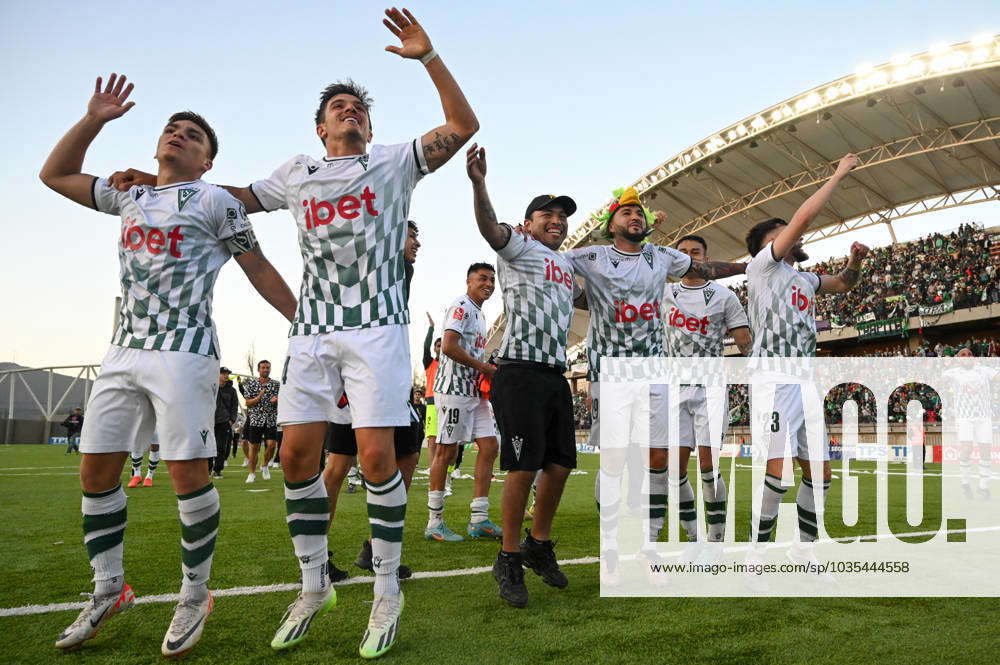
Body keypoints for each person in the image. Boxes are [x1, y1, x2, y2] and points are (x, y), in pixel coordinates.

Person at [113, 10, 477, 655]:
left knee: (373, 459)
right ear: (320, 126)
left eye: (357, 108)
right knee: (296, 460)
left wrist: (428, 57)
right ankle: (314, 585)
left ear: (369, 125)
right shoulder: (296, 173)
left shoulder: (394, 163)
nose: (349, 112)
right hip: (311, 333)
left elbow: (461, 127)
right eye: (338, 107)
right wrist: (163, 184)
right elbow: (231, 197)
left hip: (377, 329)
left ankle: (387, 589)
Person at [40, 73, 297, 656]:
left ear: (208, 161)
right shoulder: (129, 194)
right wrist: (94, 120)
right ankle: (109, 588)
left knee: (187, 476)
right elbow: (54, 175)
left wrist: (301, 320)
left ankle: (195, 593)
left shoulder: (215, 200)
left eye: (192, 136)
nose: (178, 137)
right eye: (172, 130)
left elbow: (256, 267)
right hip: (122, 351)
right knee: (96, 474)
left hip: (184, 353)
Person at [562, 186, 746, 584]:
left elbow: (705, 270)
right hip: (610, 373)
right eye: (625, 212)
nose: (634, 217)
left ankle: (647, 548)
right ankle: (611, 551)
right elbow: (552, 266)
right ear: (609, 224)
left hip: (654, 373)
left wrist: (754, 265)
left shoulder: (661, 257)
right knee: (613, 462)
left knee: (658, 461)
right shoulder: (589, 256)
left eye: (638, 212)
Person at [742, 154, 867, 588]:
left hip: (804, 379)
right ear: (768, 244)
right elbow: (804, 215)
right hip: (773, 379)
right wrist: (838, 174)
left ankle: (804, 551)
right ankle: (757, 558)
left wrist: (854, 261)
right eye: (784, 233)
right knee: (777, 473)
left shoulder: (804, 279)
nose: (795, 235)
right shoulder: (764, 267)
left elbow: (845, 284)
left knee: (820, 471)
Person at [467, 144, 576, 608]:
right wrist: (479, 183)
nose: (556, 220)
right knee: (523, 465)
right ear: (528, 222)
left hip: (554, 373)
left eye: (562, 216)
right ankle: (509, 556)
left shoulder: (568, 263)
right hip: (518, 371)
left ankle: (539, 543)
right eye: (546, 214)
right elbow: (490, 228)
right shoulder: (518, 245)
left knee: (560, 465)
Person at [322, 220, 424, 581]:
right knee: (339, 465)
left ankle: (372, 548)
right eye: (412, 236)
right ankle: (328, 554)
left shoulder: (394, 270)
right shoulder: (380, 265)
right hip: (363, 373)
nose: (417, 244)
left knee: (406, 454)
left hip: (379, 374)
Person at [661, 234, 751, 564]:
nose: (688, 257)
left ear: (706, 256)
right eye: (682, 253)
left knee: (709, 467)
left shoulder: (724, 296)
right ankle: (693, 536)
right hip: (672, 387)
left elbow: (744, 341)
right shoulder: (664, 294)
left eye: (695, 252)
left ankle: (716, 538)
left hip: (710, 387)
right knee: (675, 468)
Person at [427, 263, 503, 541]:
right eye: (483, 278)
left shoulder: (480, 313)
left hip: (474, 391)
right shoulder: (461, 305)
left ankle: (479, 518)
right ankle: (434, 522)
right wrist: (482, 367)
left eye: (492, 279)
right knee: (446, 452)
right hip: (454, 390)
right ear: (468, 281)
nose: (489, 283)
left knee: (490, 445)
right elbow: (448, 346)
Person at [243, 360, 280, 483]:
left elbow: (283, 400)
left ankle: (264, 465)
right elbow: (247, 403)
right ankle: (252, 473)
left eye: (268, 368)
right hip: (256, 420)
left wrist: (277, 400)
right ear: (259, 370)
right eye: (263, 368)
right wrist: (258, 397)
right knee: (254, 447)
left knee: (272, 445)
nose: (266, 370)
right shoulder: (252, 384)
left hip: (271, 419)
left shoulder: (276, 384)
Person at [422, 313, 442, 468]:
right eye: (438, 345)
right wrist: (431, 328)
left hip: (448, 402)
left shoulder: (452, 363)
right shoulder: (429, 363)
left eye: (443, 344)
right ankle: (433, 470)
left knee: (448, 439)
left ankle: (447, 476)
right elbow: (425, 347)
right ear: (435, 348)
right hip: (431, 403)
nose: (440, 347)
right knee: (432, 439)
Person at [213, 367, 239, 478]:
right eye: (223, 373)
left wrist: (231, 420)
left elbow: (234, 406)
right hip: (209, 421)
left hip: (224, 422)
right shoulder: (212, 387)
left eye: (227, 374)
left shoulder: (232, 390)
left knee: (221, 447)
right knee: (208, 446)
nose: (226, 376)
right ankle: (208, 468)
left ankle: (217, 470)